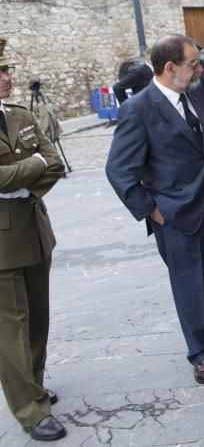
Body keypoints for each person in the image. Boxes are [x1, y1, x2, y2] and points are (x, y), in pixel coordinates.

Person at [105, 34, 204, 385]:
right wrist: (150, 209)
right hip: (175, 212)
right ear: (170, 68)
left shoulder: (194, 92)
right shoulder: (138, 109)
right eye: (193, 63)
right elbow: (119, 170)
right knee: (190, 281)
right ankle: (201, 351)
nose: (201, 68)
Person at [0, 39, 67, 441]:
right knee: (10, 329)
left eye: (6, 70)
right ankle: (29, 410)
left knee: (38, 322)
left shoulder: (19, 114)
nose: (6, 77)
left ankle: (33, 386)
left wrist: (23, 183)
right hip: (2, 246)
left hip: (34, 229)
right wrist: (31, 167)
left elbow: (54, 160)